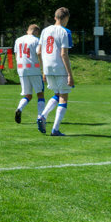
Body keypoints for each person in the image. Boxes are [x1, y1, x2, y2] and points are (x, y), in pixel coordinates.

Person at [36, 8, 74, 136]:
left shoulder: (44, 31)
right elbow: (64, 53)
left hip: (48, 67)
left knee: (57, 94)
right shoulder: (65, 32)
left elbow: (39, 52)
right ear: (66, 18)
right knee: (64, 96)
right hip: (59, 67)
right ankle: (54, 129)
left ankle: (42, 116)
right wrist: (70, 74)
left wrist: (43, 71)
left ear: (55, 17)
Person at [13, 24, 44, 124]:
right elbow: (39, 53)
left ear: (28, 30)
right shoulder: (36, 40)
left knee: (28, 95)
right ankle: (40, 116)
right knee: (40, 93)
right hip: (34, 69)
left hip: (21, 69)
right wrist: (43, 68)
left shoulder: (18, 40)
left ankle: (19, 108)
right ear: (36, 32)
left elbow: (16, 55)